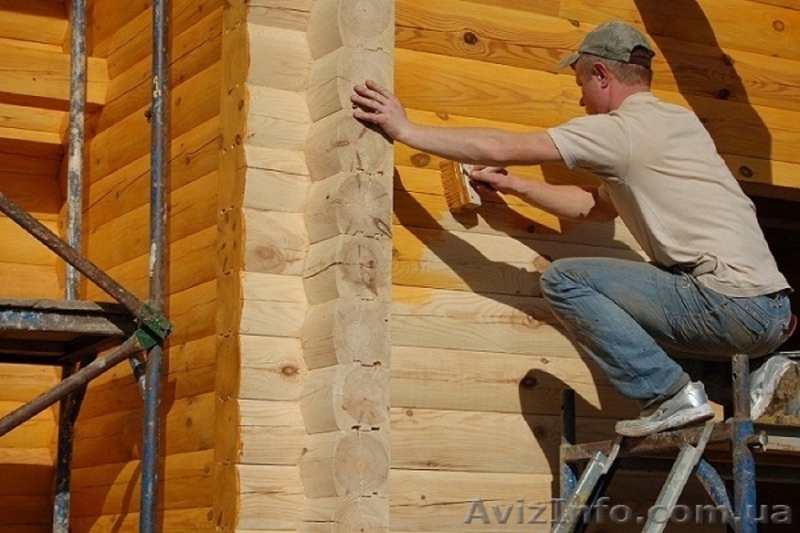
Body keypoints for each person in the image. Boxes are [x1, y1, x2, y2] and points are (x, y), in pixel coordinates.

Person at [351, 21, 797, 437]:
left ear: (602, 74)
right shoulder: (676, 123)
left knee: (565, 280)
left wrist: (405, 129)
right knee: (628, 322)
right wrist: (514, 185)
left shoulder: (619, 131)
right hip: (769, 313)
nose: (582, 100)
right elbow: (595, 208)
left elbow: (499, 145)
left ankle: (669, 398)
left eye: (581, 83)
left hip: (727, 304)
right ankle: (754, 379)